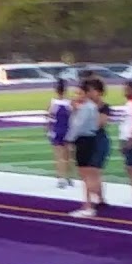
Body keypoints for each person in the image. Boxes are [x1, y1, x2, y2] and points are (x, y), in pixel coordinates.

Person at [66, 78, 103, 217]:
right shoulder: (90, 106)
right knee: (88, 175)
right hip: (88, 139)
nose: (77, 96)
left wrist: (69, 140)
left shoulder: (87, 107)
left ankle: (88, 206)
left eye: (79, 93)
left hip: (84, 140)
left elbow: (77, 125)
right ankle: (90, 204)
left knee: (86, 175)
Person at [48, 79, 72, 188]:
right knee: (67, 156)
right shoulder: (69, 103)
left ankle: (61, 178)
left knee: (59, 156)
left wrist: (48, 130)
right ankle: (67, 177)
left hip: (57, 131)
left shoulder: (53, 102)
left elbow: (49, 118)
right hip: (67, 131)